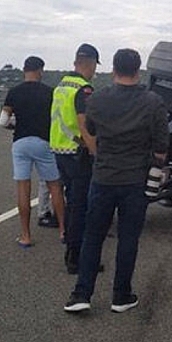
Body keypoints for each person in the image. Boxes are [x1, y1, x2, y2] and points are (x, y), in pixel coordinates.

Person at [64, 48, 169, 313]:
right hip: (135, 180)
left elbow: (90, 130)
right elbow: (161, 145)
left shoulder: (97, 99)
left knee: (93, 236)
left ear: (114, 69)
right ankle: (121, 296)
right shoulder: (152, 101)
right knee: (128, 238)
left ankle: (81, 294)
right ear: (138, 70)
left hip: (102, 178)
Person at [1, 56, 65, 247]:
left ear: (24, 70)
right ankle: (63, 230)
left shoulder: (14, 92)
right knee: (55, 187)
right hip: (44, 143)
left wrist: (15, 124)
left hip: (21, 143)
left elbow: (3, 121)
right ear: (40, 71)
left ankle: (26, 236)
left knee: (23, 188)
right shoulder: (50, 92)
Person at [50, 43, 99, 274]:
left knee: (72, 203)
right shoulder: (84, 89)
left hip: (60, 152)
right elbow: (84, 125)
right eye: (94, 68)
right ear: (89, 64)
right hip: (78, 154)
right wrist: (95, 152)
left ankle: (71, 249)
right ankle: (76, 257)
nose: (94, 72)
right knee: (81, 207)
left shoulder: (60, 86)